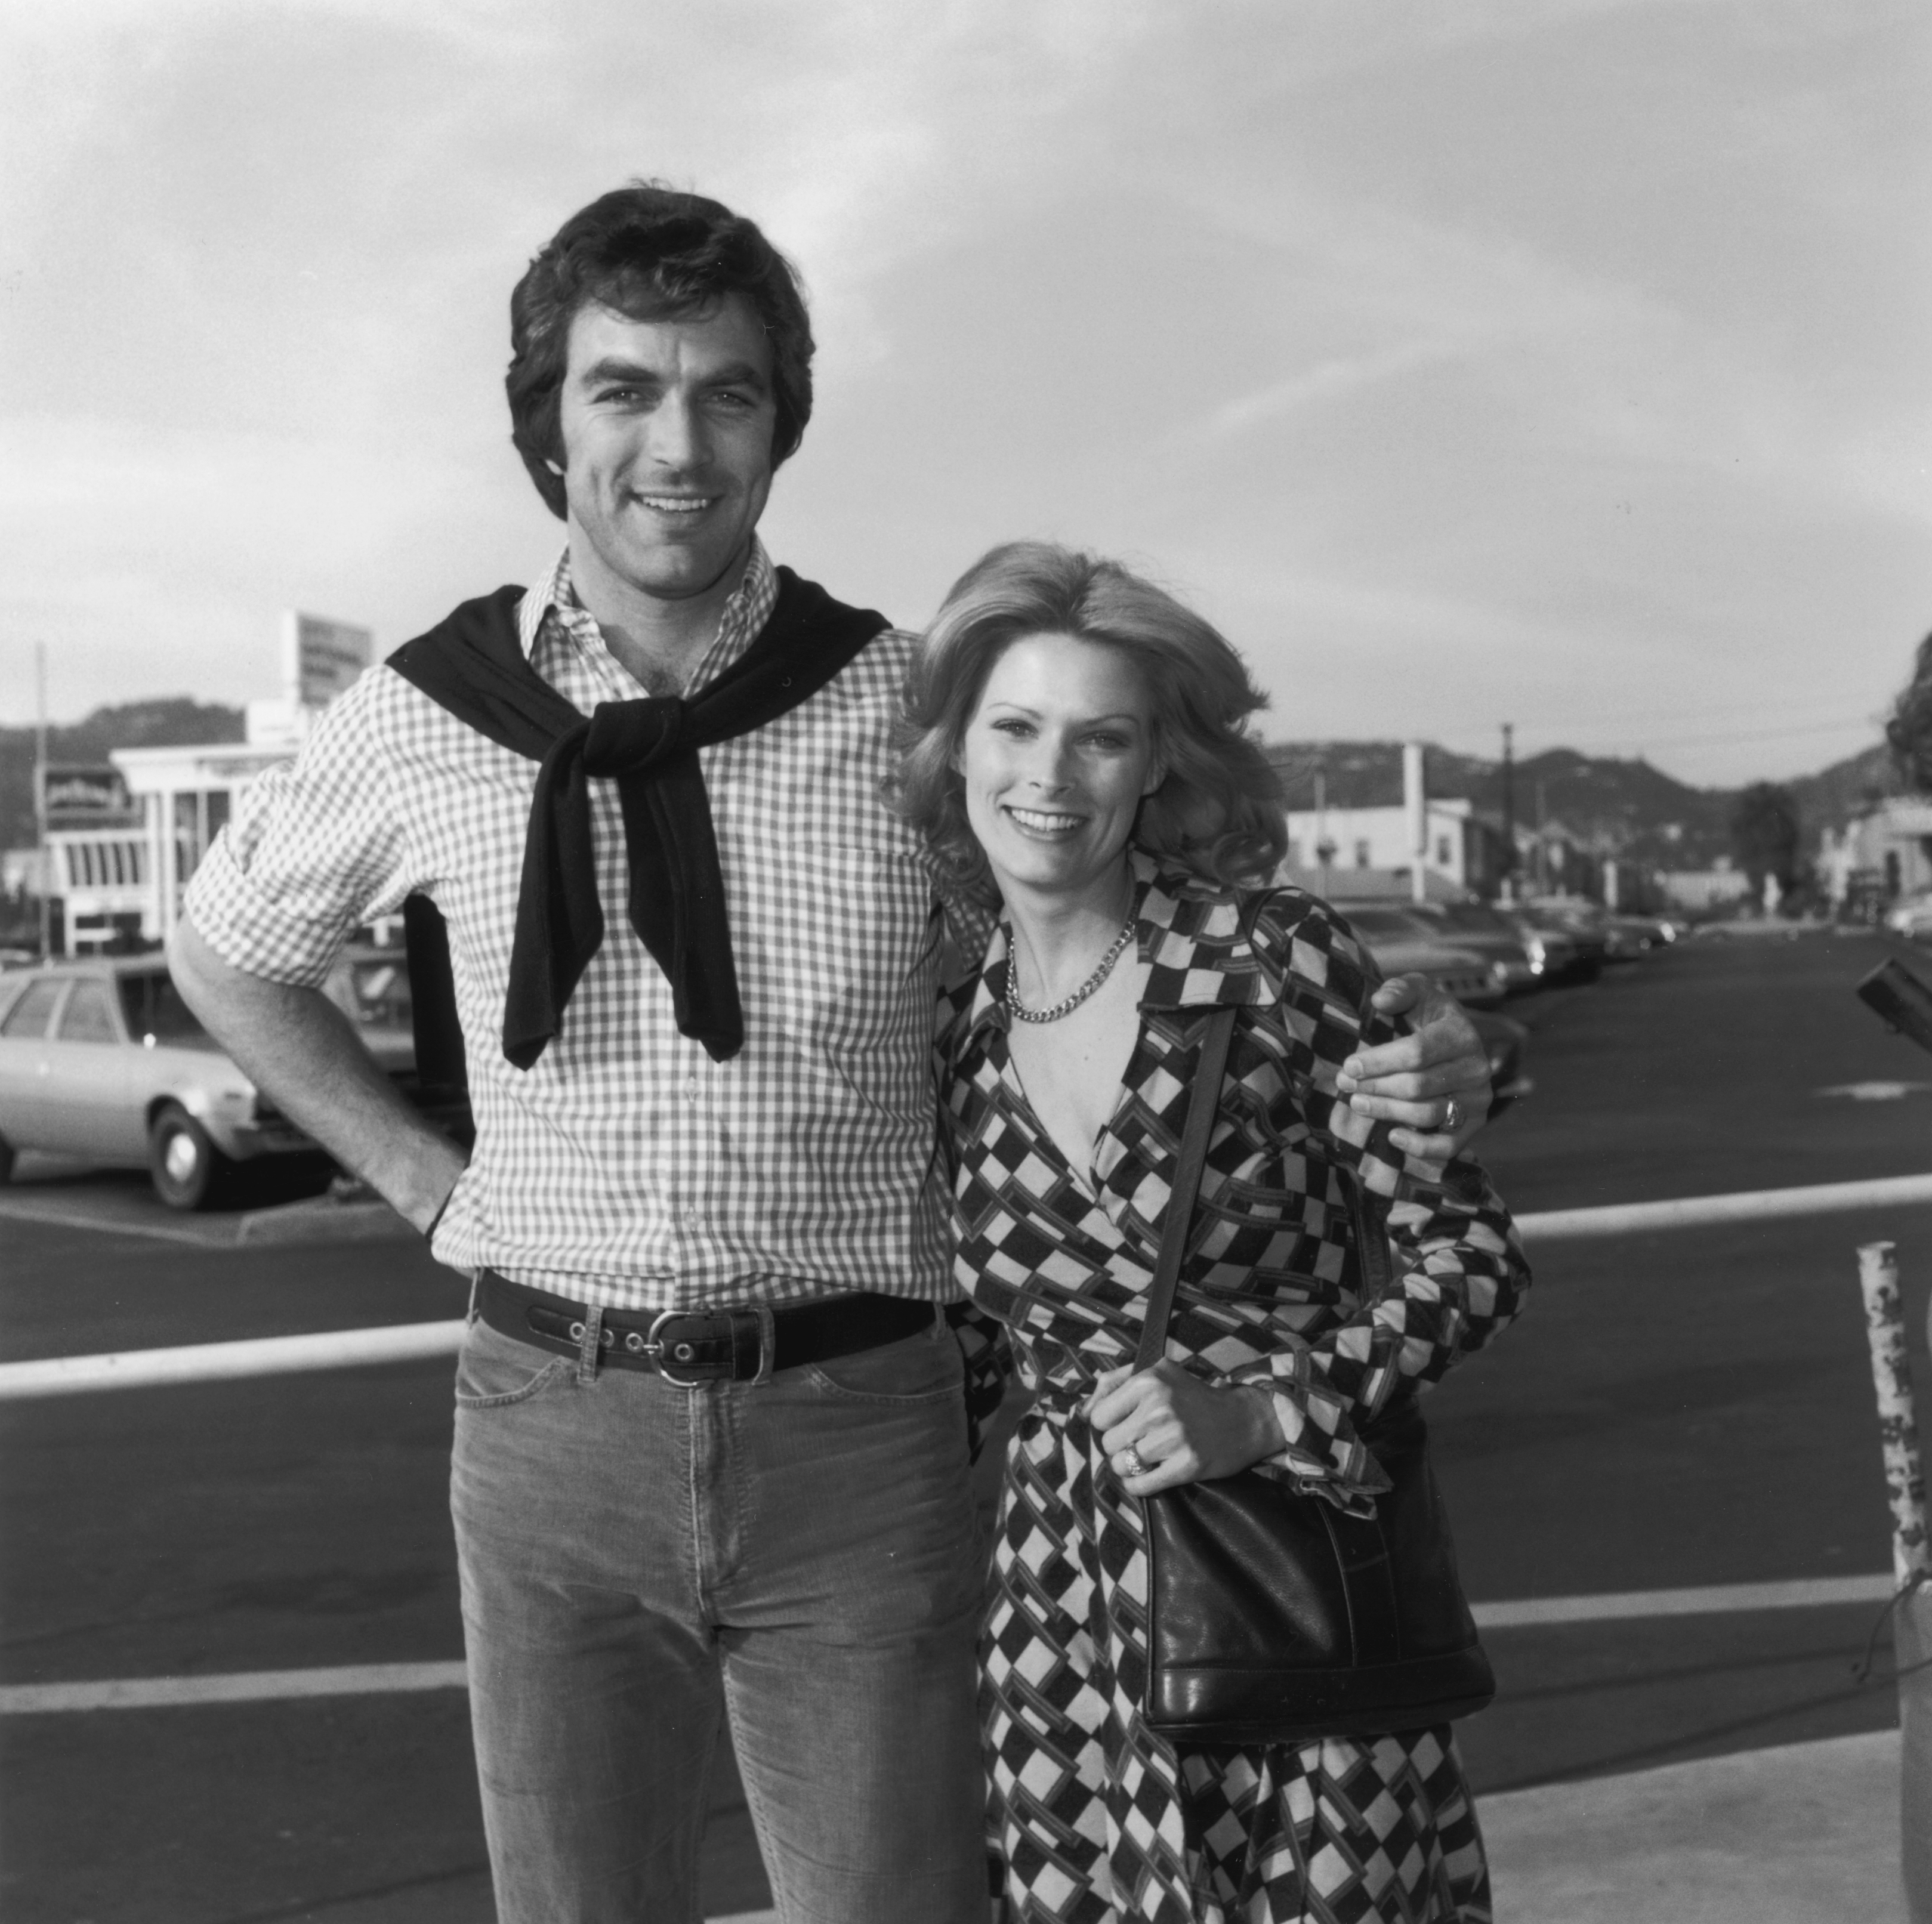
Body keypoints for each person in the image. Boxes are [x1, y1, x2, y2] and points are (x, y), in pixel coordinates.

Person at [167, 184, 1498, 1924]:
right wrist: (428, 1185)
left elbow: (1128, 941)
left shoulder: (894, 708)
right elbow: (225, 945)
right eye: (621, 388)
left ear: (779, 427)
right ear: (545, 424)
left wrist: (1414, 1060)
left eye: (726, 391)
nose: (674, 442)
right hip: (545, 1420)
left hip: (858, 1425)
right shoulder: (431, 713)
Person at [896, 541, 1531, 1923]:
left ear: (1155, 769)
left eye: (1098, 737)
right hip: (1058, 1622)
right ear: (955, 751)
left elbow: (1470, 1258)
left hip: (1288, 1584)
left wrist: (1264, 1406)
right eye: (1012, 727)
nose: (1047, 777)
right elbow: (966, 1356)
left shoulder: (1266, 960)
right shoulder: (950, 1029)